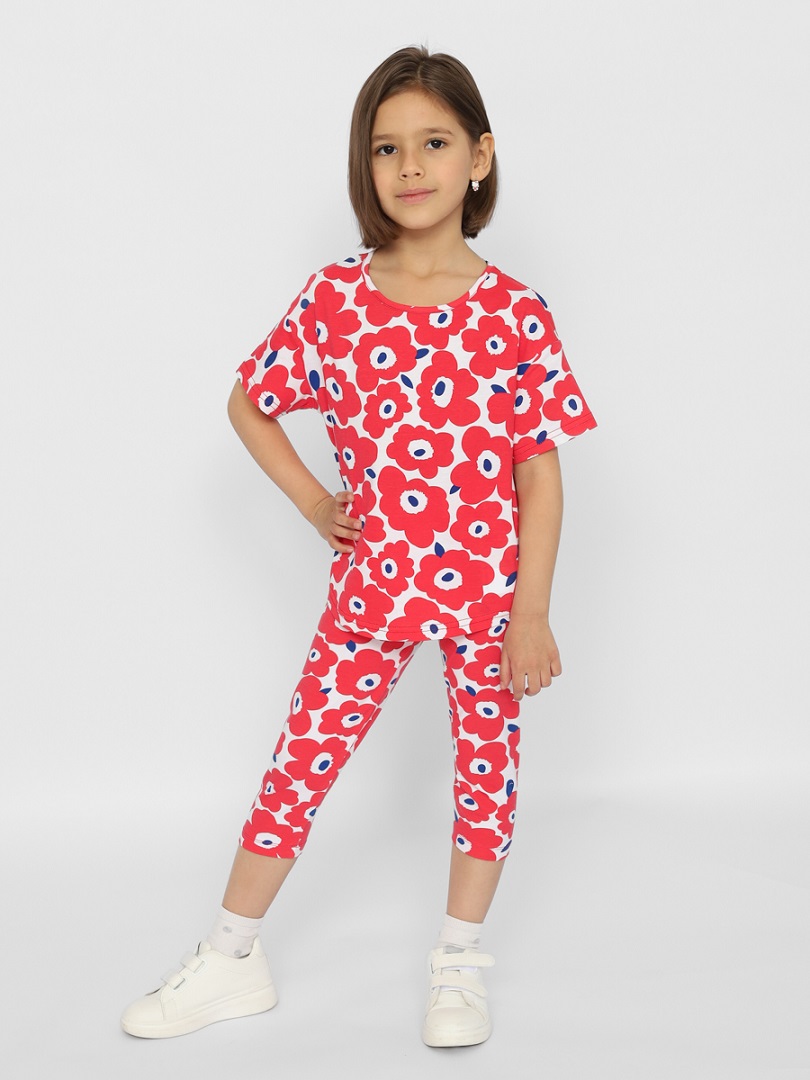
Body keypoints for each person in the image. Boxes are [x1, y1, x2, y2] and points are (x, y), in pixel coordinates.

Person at [121, 44, 596, 1049]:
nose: (410, 166)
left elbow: (541, 475)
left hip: (486, 601)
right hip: (370, 592)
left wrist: (533, 612)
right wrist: (311, 502)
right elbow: (251, 403)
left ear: (480, 156)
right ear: (365, 164)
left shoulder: (516, 313)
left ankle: (459, 963)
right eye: (386, 148)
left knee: (486, 774)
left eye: (434, 142)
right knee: (300, 762)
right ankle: (231, 955)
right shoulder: (333, 300)